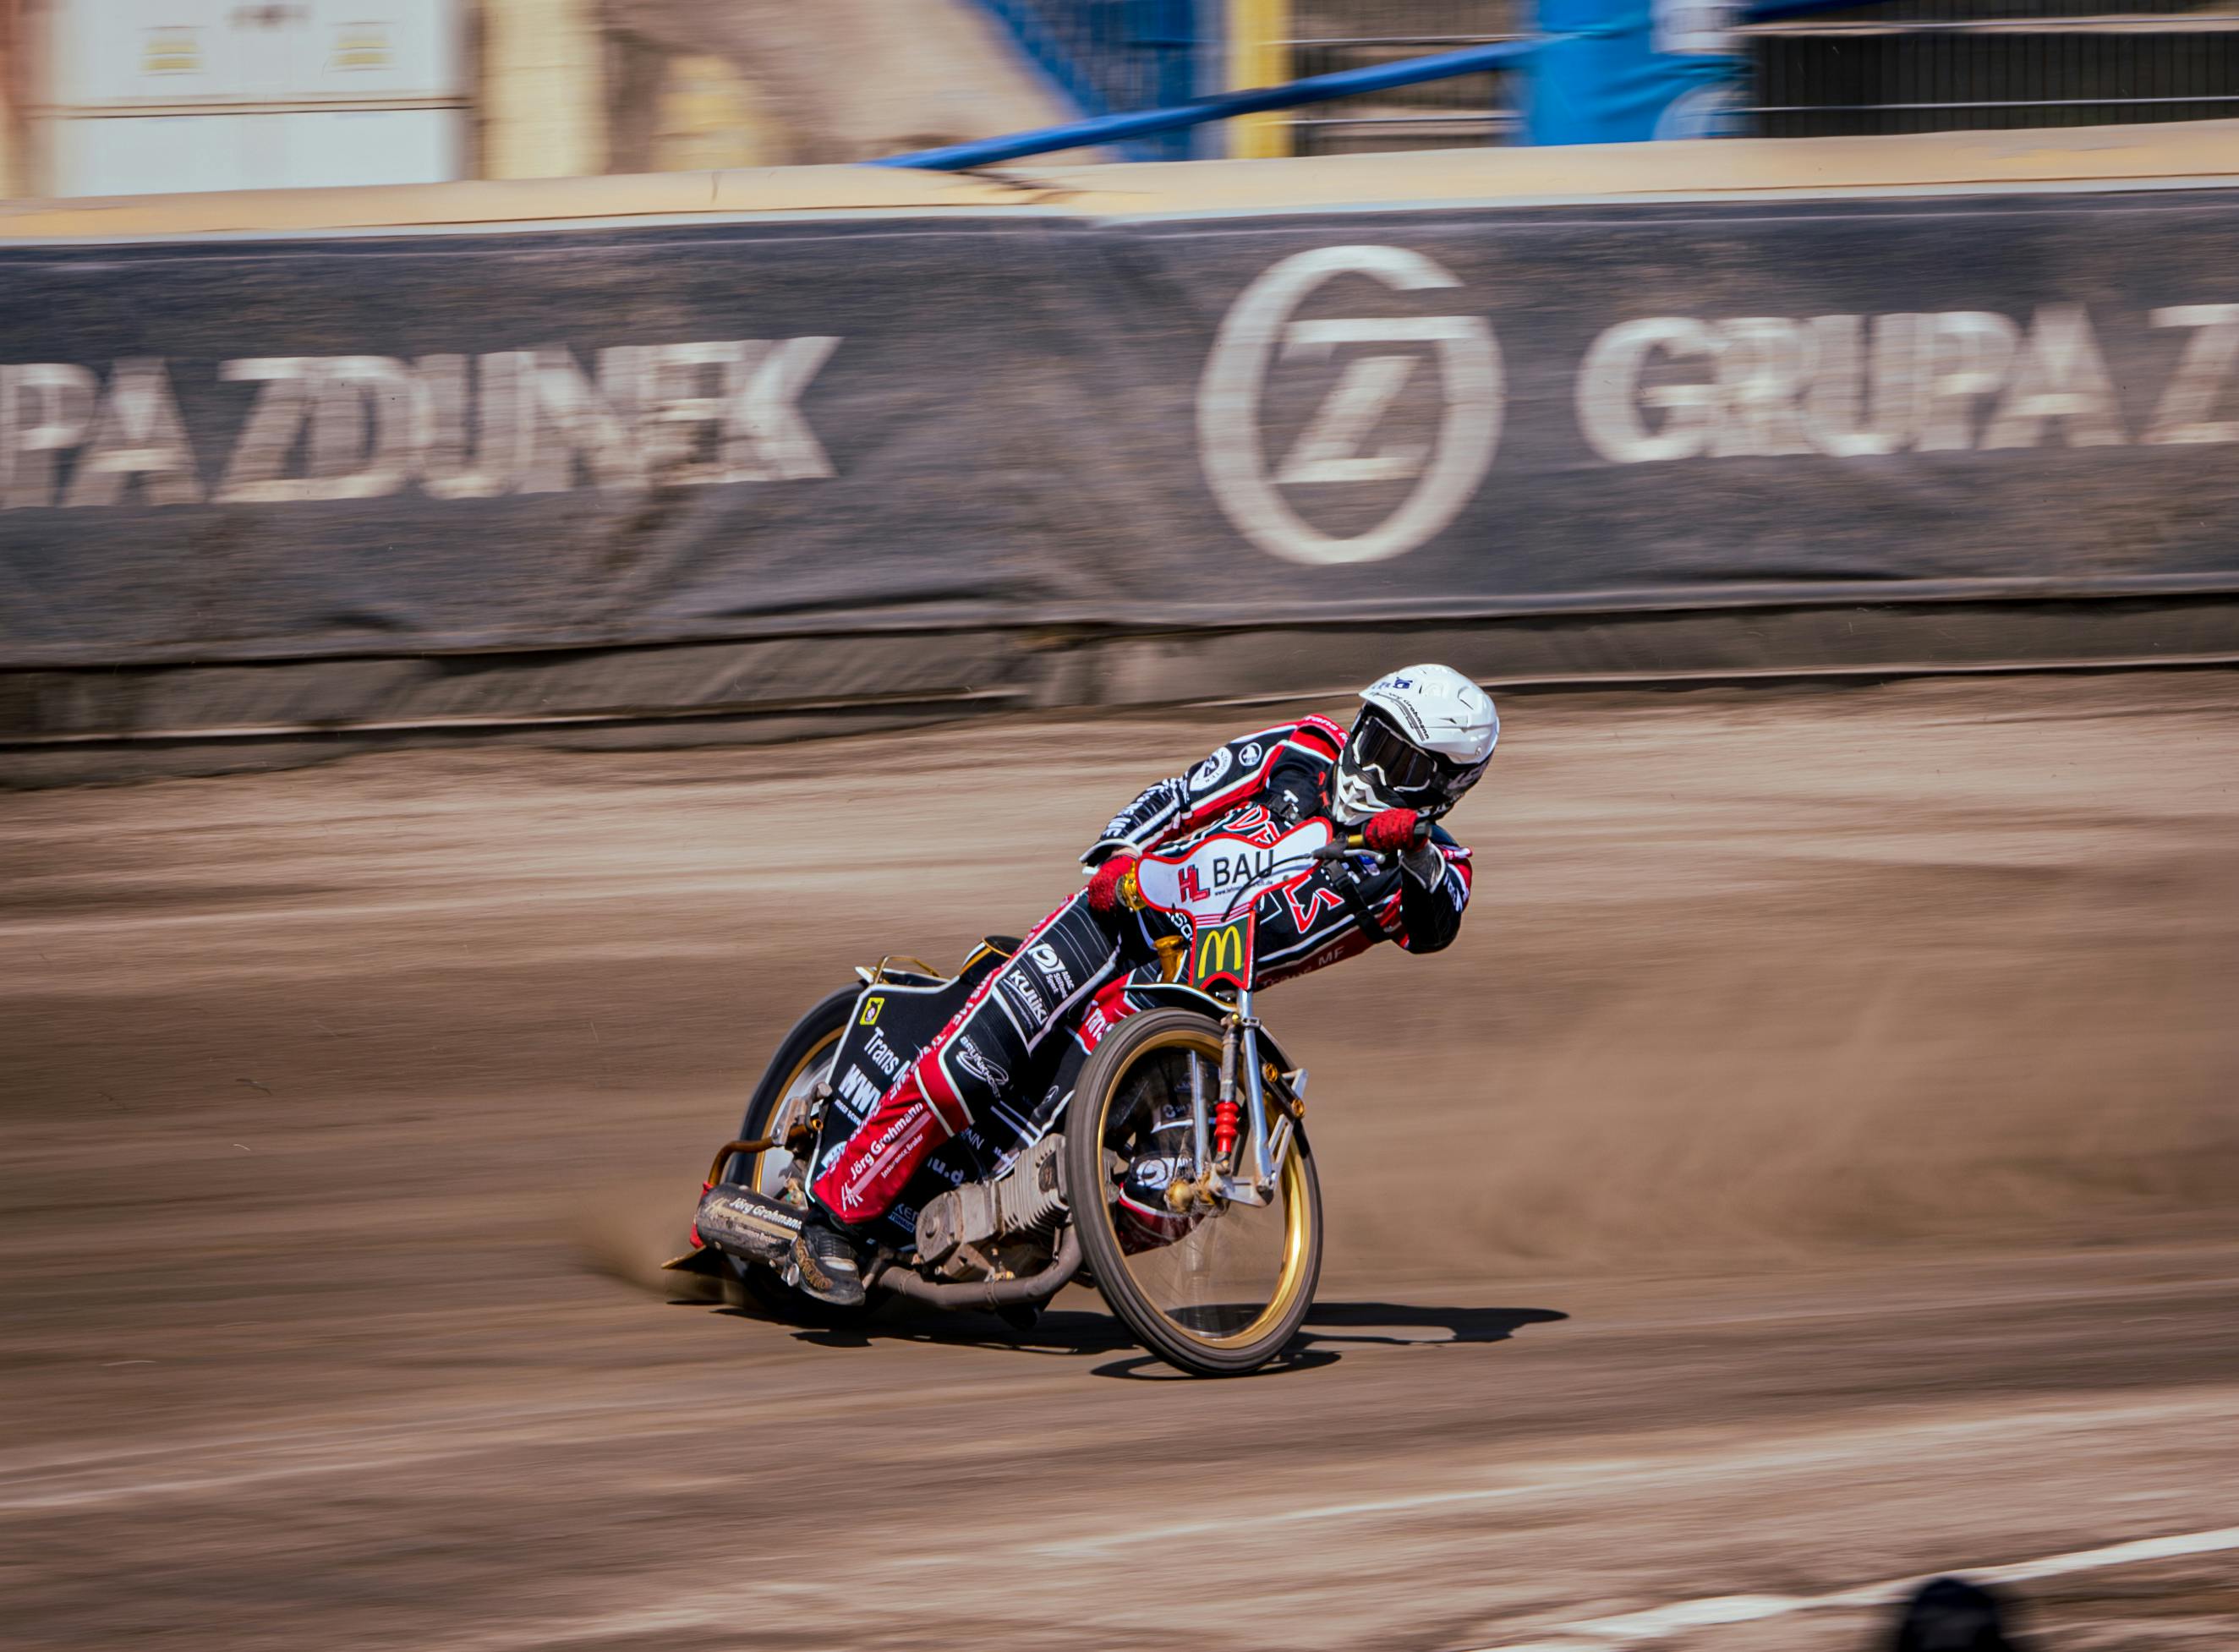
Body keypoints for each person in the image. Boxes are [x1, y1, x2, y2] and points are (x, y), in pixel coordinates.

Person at [786, 665, 1499, 1305]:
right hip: (1117, 921)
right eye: (1372, 734)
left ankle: (1032, 1250)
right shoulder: (1303, 747)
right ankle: (831, 1224)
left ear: (1446, 785)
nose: (1367, 761)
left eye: (1399, 758)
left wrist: (1411, 849)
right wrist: (1118, 855)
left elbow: (1437, 924)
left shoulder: (1437, 866)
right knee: (974, 1066)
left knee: (1171, 1195)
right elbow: (1181, 796)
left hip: (1196, 997)